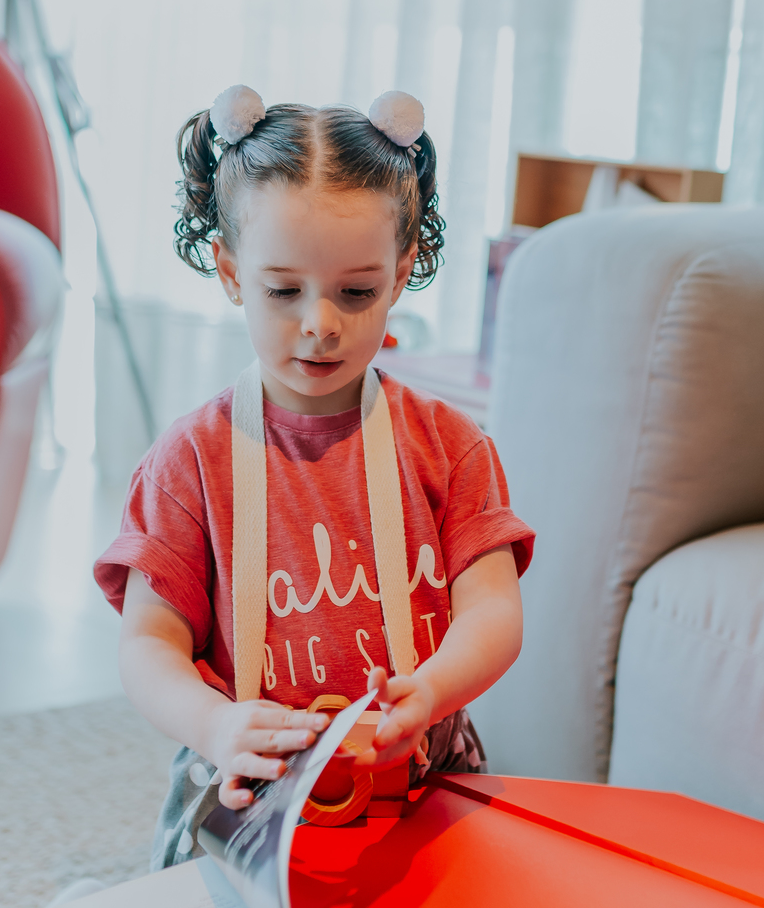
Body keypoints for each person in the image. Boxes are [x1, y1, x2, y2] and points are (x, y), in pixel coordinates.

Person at [94, 86, 532, 864]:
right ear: (230, 272)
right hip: (248, 787)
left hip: (425, 780)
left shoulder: (450, 446)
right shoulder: (190, 461)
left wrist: (431, 692)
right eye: (282, 289)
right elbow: (148, 647)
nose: (321, 323)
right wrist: (214, 724)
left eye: (357, 292)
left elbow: (494, 614)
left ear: (403, 273)